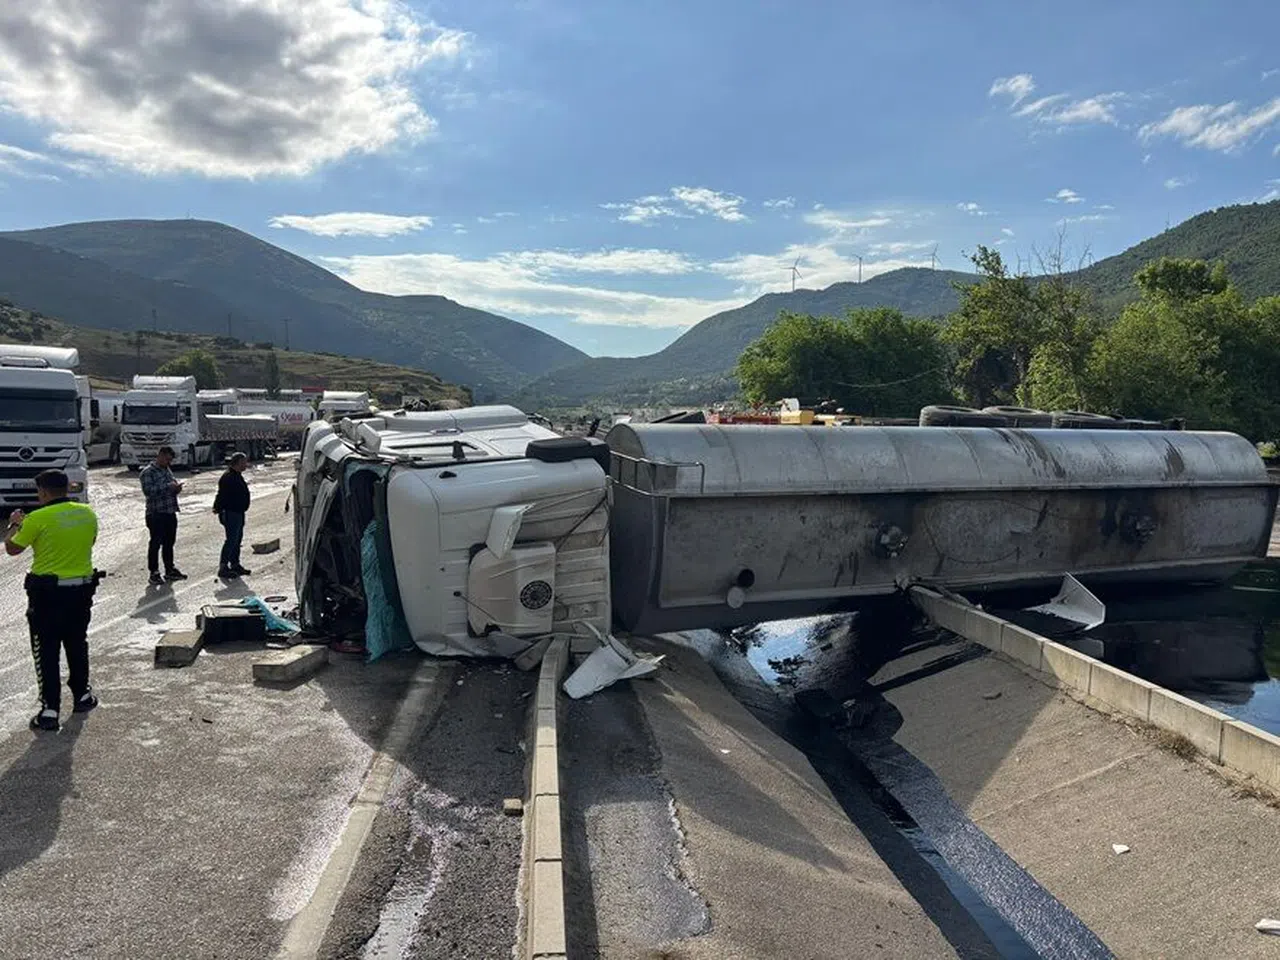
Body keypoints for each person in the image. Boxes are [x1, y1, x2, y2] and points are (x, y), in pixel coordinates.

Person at [4, 469, 100, 732]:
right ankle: (82, 695)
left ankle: (49, 710)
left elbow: (12, 548)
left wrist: (15, 524)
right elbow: (91, 541)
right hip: (81, 592)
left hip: (47, 596)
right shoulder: (87, 513)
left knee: (46, 650)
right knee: (77, 643)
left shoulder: (36, 518)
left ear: (44, 492)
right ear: (66, 488)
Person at [139, 445, 187, 585]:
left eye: (170, 460)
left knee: (169, 543)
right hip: (156, 514)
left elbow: (171, 486)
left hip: (169, 512)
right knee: (155, 543)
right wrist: (167, 486)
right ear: (159, 455)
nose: (168, 462)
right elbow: (148, 491)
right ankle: (154, 572)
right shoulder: (148, 472)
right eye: (167, 459)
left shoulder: (166, 469)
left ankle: (169, 569)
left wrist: (176, 489)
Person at [213, 452, 252, 579]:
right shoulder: (228, 477)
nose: (246, 464)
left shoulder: (237, 475)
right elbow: (221, 495)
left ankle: (235, 564)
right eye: (244, 462)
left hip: (238, 512)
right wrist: (218, 508)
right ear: (238, 462)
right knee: (231, 540)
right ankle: (223, 567)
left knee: (237, 539)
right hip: (231, 513)